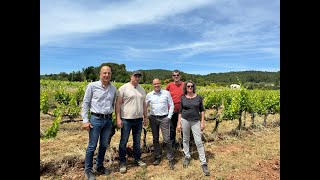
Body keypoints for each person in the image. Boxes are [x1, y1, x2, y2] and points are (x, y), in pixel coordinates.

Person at [81, 66, 117, 180]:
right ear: (100, 74)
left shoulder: (113, 88)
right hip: (95, 119)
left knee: (103, 145)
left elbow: (113, 104)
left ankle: (100, 166)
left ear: (111, 75)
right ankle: (88, 170)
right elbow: (85, 103)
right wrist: (85, 120)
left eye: (109, 73)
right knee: (92, 146)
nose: (107, 75)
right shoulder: (92, 86)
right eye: (104, 73)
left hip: (108, 120)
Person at [116, 71, 148, 174]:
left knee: (137, 141)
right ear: (131, 77)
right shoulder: (123, 88)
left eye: (139, 76)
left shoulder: (142, 89)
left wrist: (145, 117)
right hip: (126, 119)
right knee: (123, 141)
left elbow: (144, 104)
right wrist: (118, 118)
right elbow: (118, 104)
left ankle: (137, 159)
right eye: (135, 76)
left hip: (138, 119)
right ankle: (122, 162)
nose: (137, 78)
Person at [177, 80, 210, 176]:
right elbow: (180, 111)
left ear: (193, 87)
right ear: (186, 88)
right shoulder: (183, 97)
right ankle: (187, 156)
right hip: (185, 120)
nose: (190, 88)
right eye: (188, 86)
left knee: (198, 141)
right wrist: (179, 123)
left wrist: (202, 122)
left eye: (191, 86)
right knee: (185, 139)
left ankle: (203, 162)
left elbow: (202, 111)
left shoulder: (198, 97)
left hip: (196, 121)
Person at [146, 78, 175, 169]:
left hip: (164, 118)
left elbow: (171, 105)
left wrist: (169, 117)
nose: (156, 85)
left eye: (158, 83)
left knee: (167, 139)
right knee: (155, 139)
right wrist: (147, 115)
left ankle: (170, 159)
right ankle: (157, 156)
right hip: (153, 119)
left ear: (160, 84)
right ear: (152, 85)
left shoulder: (166, 93)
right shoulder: (149, 95)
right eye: (155, 84)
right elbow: (145, 106)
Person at [166, 70, 185, 149]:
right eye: (174, 75)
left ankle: (185, 145)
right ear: (172, 77)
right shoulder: (169, 85)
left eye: (177, 75)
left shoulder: (184, 84)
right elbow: (165, 96)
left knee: (184, 128)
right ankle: (173, 145)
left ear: (180, 76)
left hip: (183, 111)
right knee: (172, 129)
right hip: (172, 111)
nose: (176, 76)